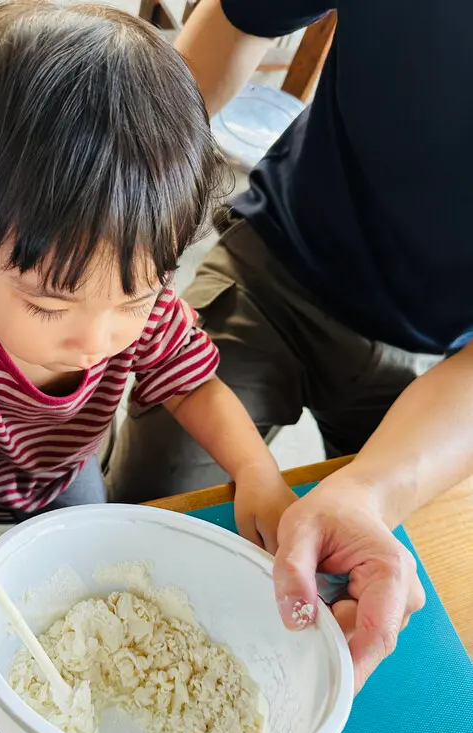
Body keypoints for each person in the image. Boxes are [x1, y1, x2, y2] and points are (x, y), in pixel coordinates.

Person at [0, 1, 297, 578]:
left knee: (95, 566)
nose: (97, 341)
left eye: (134, 300)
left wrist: (257, 472)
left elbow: (190, 382)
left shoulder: (133, 281)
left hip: (65, 473)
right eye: (48, 305)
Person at [107, 0, 473, 691]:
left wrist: (368, 493)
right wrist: (119, 196)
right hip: (277, 256)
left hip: (438, 371)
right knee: (146, 509)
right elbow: (238, 18)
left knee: (377, 584)